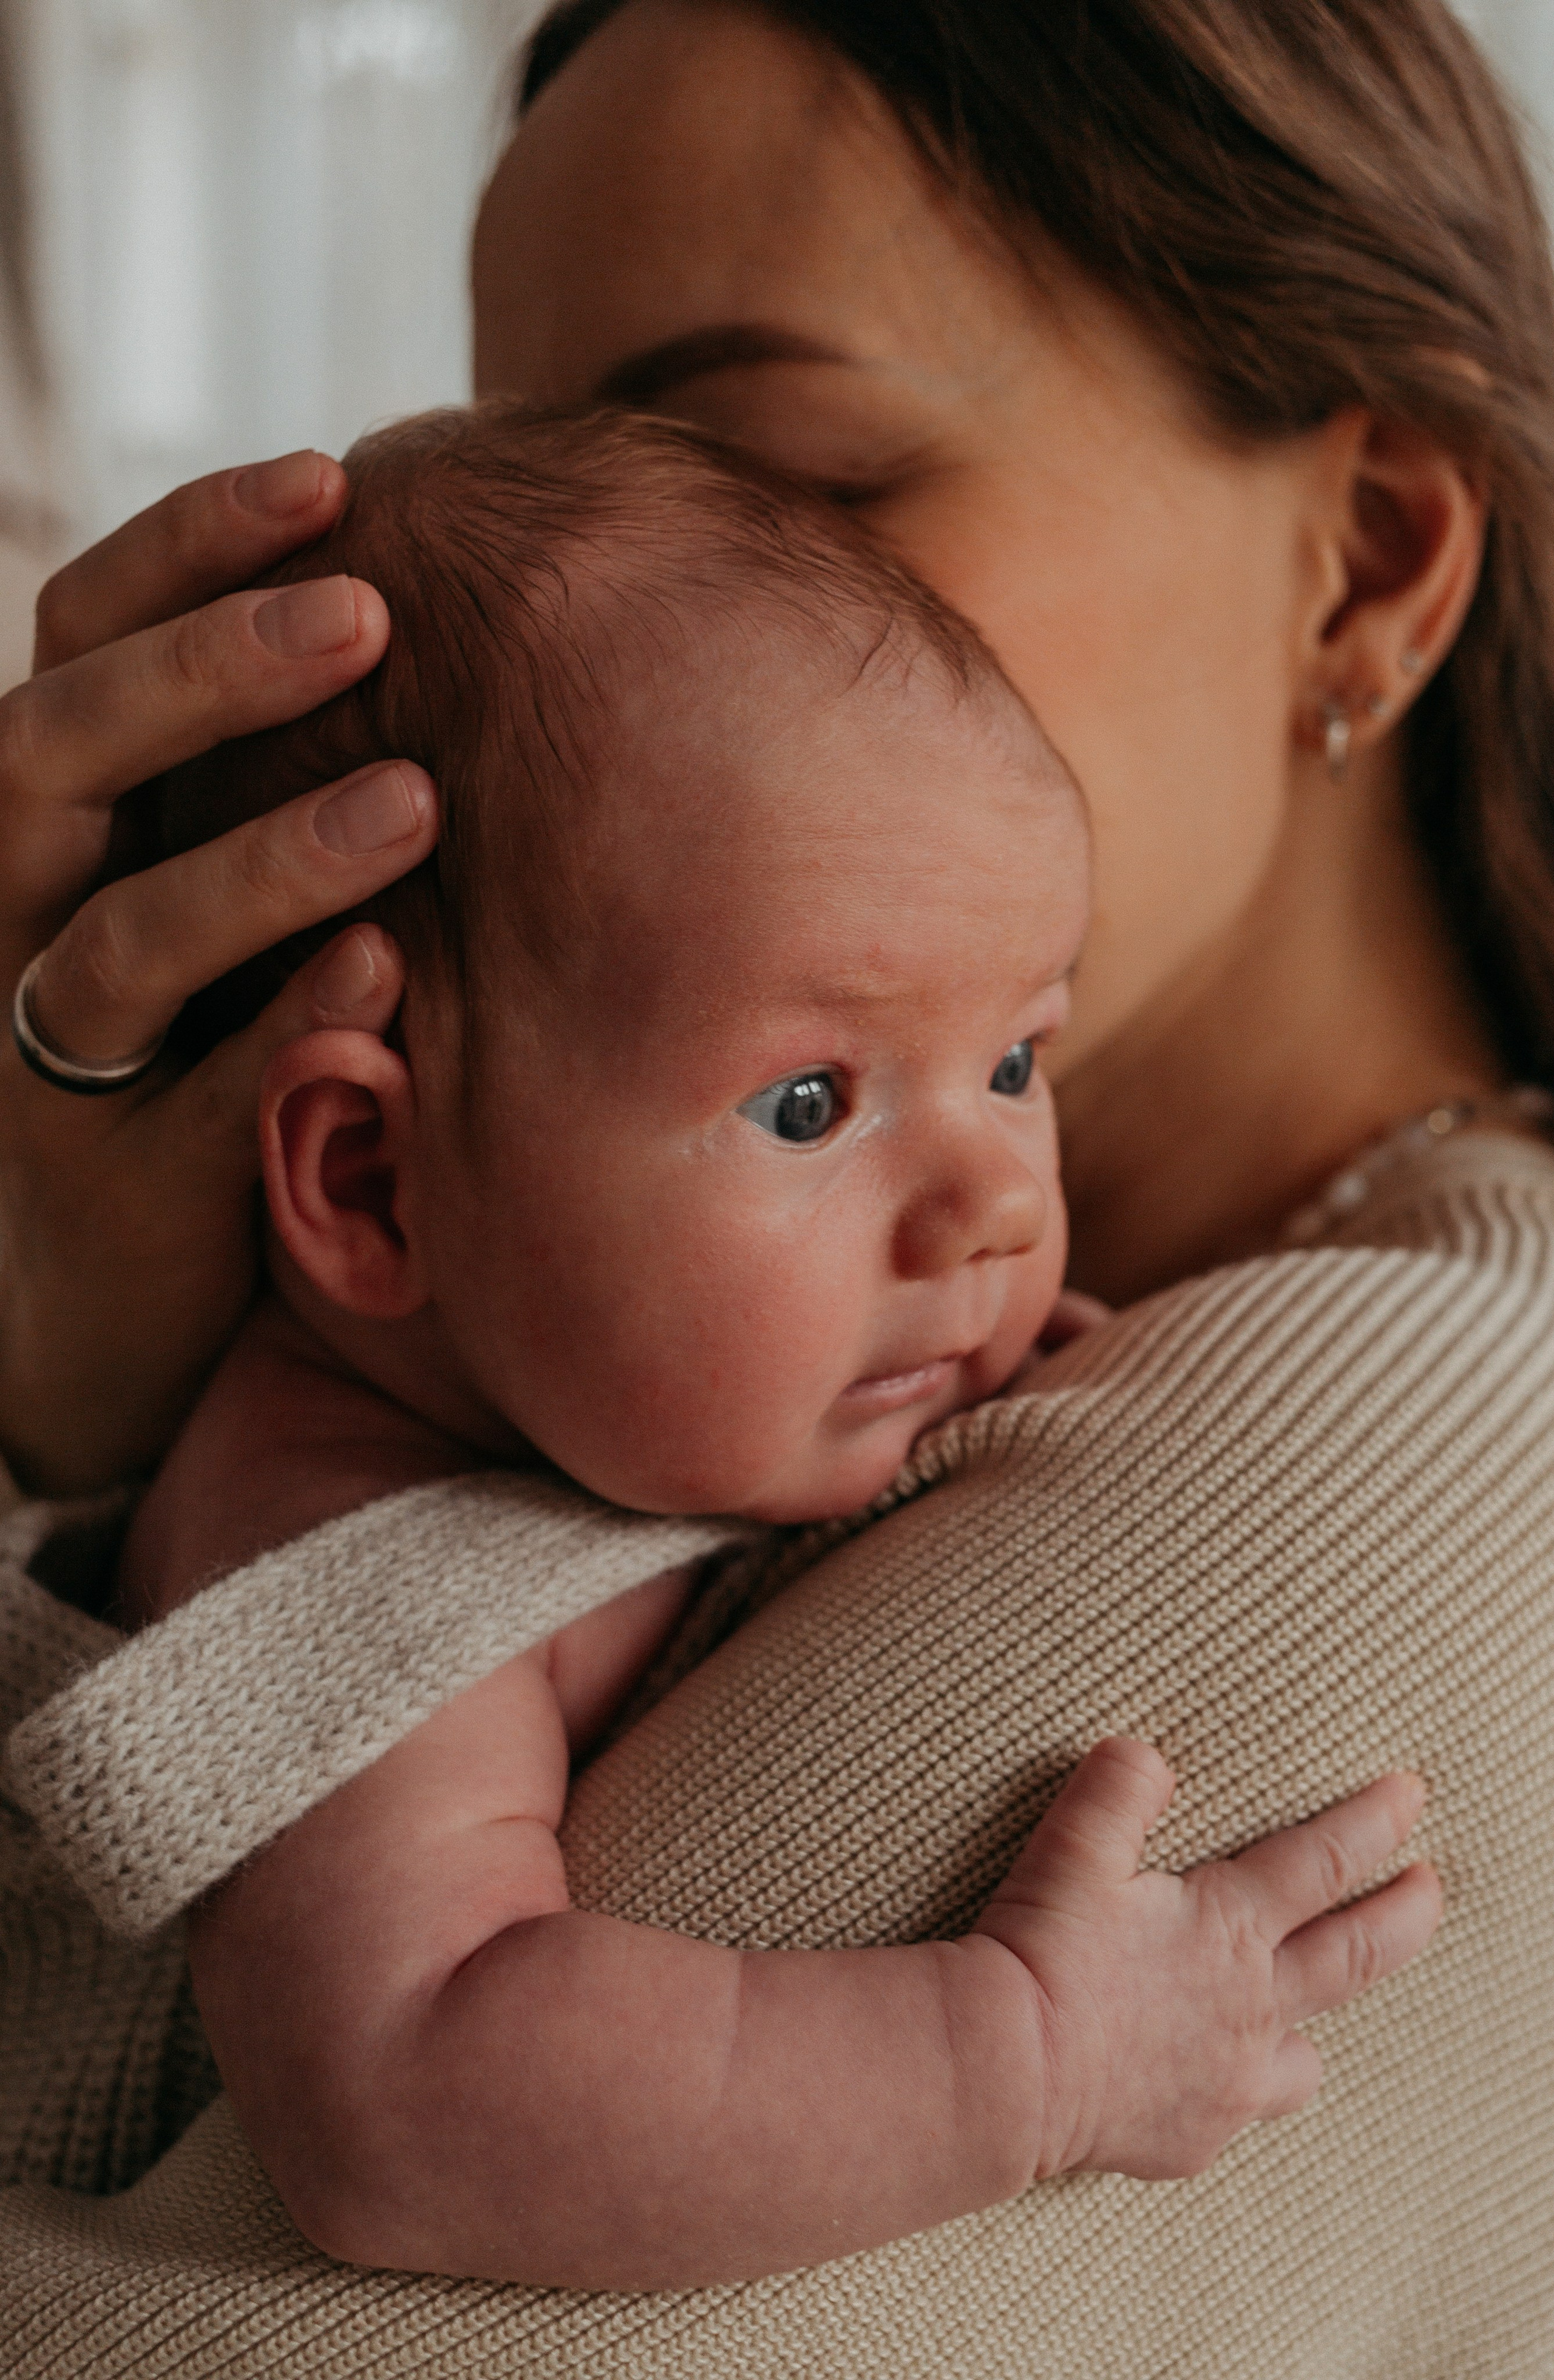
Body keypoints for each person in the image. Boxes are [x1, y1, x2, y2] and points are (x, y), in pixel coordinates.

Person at [2, 2, 1552, 2373]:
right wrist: (113, 1416)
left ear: (1360, 563)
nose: (665, 664)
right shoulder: (712, 1334)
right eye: (586, 529)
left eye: (778, 497)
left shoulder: (1409, 1424)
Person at [73, 400, 1431, 2290]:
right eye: (810, 1104)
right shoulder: (343, 1584)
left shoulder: (588, 1396)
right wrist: (1034, 2054)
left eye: (1018, 1059)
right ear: (376, 1183)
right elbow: (417, 2100)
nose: (997, 1210)